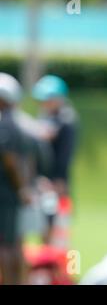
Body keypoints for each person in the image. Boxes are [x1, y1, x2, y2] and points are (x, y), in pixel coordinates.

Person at [32, 75, 78, 248]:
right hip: (44, 181)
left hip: (57, 183)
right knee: (44, 227)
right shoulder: (45, 116)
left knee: (59, 230)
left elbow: (62, 154)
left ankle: (62, 272)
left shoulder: (66, 119)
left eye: (48, 99)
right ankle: (46, 267)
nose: (43, 103)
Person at [0, 73, 31, 284]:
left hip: (7, 194)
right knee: (14, 243)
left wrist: (21, 188)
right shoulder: (16, 122)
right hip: (10, 193)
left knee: (6, 244)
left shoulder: (6, 123)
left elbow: (10, 160)